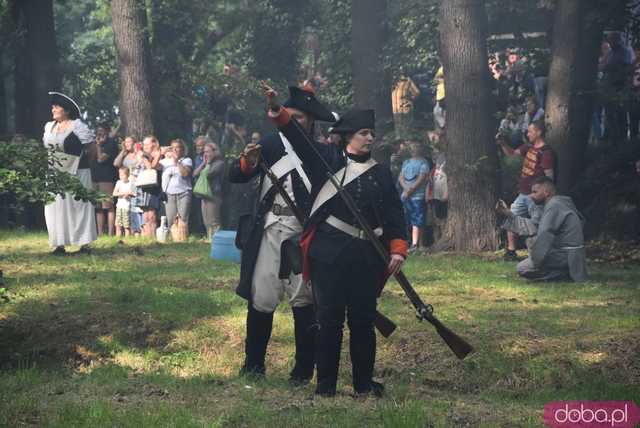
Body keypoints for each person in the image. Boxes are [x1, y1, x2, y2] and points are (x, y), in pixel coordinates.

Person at [262, 83, 408, 397]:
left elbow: (395, 213)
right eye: (364, 132)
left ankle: (363, 385)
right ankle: (325, 386)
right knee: (328, 322)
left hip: (367, 256)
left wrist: (397, 248)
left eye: (371, 133)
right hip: (328, 254)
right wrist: (278, 108)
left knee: (363, 322)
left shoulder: (380, 173)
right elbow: (298, 138)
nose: (370, 138)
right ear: (348, 135)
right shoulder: (325, 158)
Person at [228, 83, 336, 384]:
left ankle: (303, 371)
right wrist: (246, 163)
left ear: (311, 121)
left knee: (304, 300)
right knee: (261, 296)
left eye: (299, 117)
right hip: (271, 229)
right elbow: (235, 175)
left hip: (302, 233)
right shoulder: (271, 144)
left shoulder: (320, 150)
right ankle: (253, 366)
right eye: (291, 116)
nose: (295, 121)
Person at [497, 177, 587, 282]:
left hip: (566, 255)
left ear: (546, 192)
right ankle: (563, 272)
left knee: (522, 268)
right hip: (568, 253)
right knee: (532, 240)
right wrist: (508, 214)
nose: (531, 196)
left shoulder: (554, 206)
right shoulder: (556, 203)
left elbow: (545, 233)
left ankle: (562, 275)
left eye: (535, 192)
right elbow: (535, 226)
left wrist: (536, 261)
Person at [43, 92, 96, 254]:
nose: (53, 109)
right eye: (53, 106)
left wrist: (82, 164)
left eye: (56, 107)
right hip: (54, 174)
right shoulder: (48, 126)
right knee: (55, 206)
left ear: (66, 111)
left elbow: (92, 149)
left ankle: (84, 243)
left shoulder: (77, 126)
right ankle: (59, 244)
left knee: (80, 206)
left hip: (78, 172)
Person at [497, 120, 555, 261]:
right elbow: (512, 154)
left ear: (539, 132)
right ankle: (511, 250)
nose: (527, 134)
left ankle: (537, 254)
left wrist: (547, 196)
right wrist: (502, 143)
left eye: (530, 131)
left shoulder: (545, 152)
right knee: (512, 217)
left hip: (535, 196)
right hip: (522, 194)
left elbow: (549, 176)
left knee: (535, 225)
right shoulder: (528, 147)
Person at [398, 142, 429, 250]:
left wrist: (410, 190)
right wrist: (406, 189)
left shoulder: (424, 163)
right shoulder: (406, 162)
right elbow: (401, 177)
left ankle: (417, 244)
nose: (414, 150)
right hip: (405, 196)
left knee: (418, 219)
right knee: (406, 219)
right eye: (412, 148)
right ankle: (408, 242)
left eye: (416, 147)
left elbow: (421, 178)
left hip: (418, 196)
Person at [91, 122, 119, 236]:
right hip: (95, 177)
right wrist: (96, 145)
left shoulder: (111, 144)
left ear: (107, 131)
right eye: (98, 130)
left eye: (101, 130)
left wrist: (98, 146)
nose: (99, 133)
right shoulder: (95, 142)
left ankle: (111, 232)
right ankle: (100, 233)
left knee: (108, 206)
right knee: (98, 207)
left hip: (107, 178)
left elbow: (101, 159)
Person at [193, 142, 225, 239]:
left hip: (214, 195)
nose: (205, 154)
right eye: (204, 152)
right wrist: (203, 163)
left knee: (214, 221)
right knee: (206, 221)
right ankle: (209, 240)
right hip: (204, 195)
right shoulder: (206, 163)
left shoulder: (220, 163)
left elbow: (209, 174)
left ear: (215, 152)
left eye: (208, 151)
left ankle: (217, 241)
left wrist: (207, 164)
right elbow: (195, 174)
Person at [114, 136, 143, 236]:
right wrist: (123, 151)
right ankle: (130, 232)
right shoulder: (125, 155)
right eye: (125, 142)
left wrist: (137, 152)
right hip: (125, 184)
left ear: (135, 143)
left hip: (136, 183)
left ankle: (137, 231)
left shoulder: (138, 154)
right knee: (128, 209)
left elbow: (138, 164)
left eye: (129, 142)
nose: (127, 144)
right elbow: (116, 163)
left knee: (135, 208)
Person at [160, 139, 193, 229]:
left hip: (184, 192)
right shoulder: (165, 161)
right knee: (171, 219)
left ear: (182, 149)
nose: (174, 150)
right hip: (169, 194)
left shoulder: (187, 160)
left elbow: (185, 173)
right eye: (172, 148)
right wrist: (160, 153)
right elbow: (154, 166)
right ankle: (173, 239)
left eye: (177, 147)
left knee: (183, 219)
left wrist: (177, 161)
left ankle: (183, 239)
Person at [137, 136, 162, 237]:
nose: (145, 146)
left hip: (153, 187)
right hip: (143, 187)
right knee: (145, 215)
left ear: (154, 144)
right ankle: (147, 237)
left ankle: (152, 236)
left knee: (151, 214)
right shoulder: (144, 155)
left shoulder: (158, 154)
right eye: (144, 144)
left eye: (147, 144)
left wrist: (143, 157)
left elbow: (151, 167)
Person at [191, 136, 208, 237]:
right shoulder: (196, 158)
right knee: (199, 213)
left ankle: (208, 233)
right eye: (197, 146)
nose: (198, 148)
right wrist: (203, 164)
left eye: (201, 146)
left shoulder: (211, 157)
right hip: (198, 190)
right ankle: (201, 233)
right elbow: (194, 174)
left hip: (208, 190)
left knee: (208, 213)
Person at [113, 167, 134, 237]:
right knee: (118, 224)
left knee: (126, 225)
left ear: (128, 175)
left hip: (127, 206)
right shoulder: (118, 182)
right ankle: (118, 238)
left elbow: (133, 194)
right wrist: (124, 193)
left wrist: (129, 194)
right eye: (120, 175)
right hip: (119, 206)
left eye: (123, 175)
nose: (121, 176)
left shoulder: (131, 183)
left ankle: (127, 239)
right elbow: (114, 193)